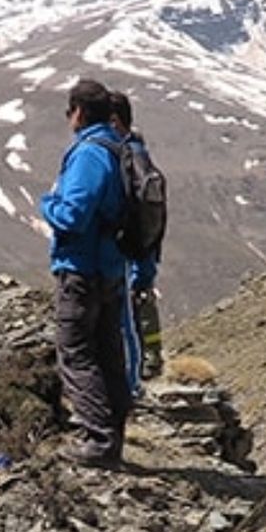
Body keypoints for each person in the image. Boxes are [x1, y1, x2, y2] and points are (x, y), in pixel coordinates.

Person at [41, 78, 131, 468]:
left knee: (76, 354)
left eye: (69, 111)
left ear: (78, 112)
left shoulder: (89, 153)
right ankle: (113, 437)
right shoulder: (117, 147)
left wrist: (48, 204)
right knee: (109, 355)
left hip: (83, 270)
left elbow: (73, 216)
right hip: (109, 269)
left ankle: (98, 440)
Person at [109, 90, 166, 391]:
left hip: (128, 248)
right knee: (143, 299)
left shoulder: (126, 156)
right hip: (146, 246)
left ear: (115, 121)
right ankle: (151, 360)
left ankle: (135, 378)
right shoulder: (140, 152)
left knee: (130, 309)